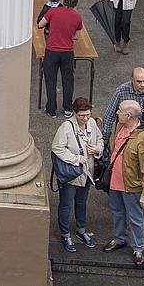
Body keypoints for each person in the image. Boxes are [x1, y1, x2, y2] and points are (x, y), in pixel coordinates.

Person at [103, 100, 144, 266]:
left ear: (128, 115)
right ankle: (119, 239)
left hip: (132, 185)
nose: (116, 113)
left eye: (119, 111)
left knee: (135, 218)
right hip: (115, 182)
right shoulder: (121, 127)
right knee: (117, 211)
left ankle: (138, 248)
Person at [51, 96, 103, 252]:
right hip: (72, 174)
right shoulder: (66, 127)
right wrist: (76, 159)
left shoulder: (92, 123)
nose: (85, 118)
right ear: (75, 113)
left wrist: (98, 149)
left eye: (88, 114)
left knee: (82, 202)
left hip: (87, 173)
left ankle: (81, 229)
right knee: (66, 204)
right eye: (82, 115)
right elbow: (57, 148)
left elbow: (100, 139)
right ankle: (65, 233)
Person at [37, 0, 83, 117]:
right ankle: (68, 108)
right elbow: (76, 37)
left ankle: (51, 109)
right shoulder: (77, 17)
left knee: (51, 80)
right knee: (68, 80)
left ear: (63, 1)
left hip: (52, 51)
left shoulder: (53, 11)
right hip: (67, 52)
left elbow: (40, 24)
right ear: (76, 4)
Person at [102, 67, 144, 139]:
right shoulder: (121, 91)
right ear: (132, 80)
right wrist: (105, 137)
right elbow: (109, 116)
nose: (143, 85)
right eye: (139, 82)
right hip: (125, 136)